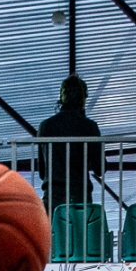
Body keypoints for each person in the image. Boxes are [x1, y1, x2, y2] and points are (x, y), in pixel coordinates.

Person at [39, 75, 105, 213]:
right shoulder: (89, 127)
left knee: (53, 226)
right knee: (80, 227)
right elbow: (100, 168)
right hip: (80, 196)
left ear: (62, 97)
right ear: (83, 98)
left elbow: (42, 172)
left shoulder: (46, 126)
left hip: (52, 196)